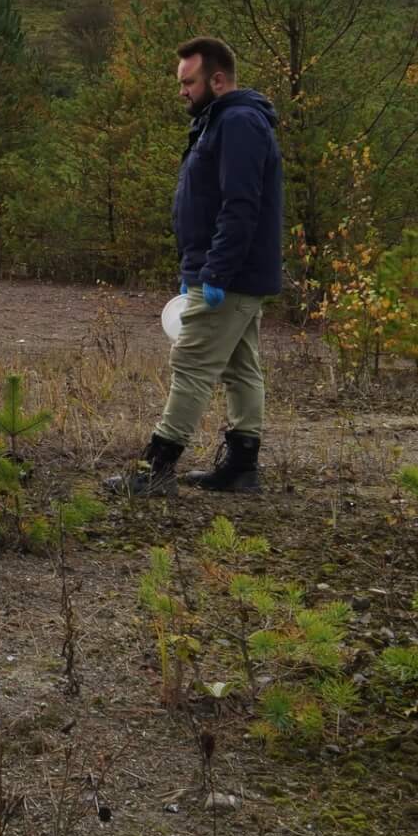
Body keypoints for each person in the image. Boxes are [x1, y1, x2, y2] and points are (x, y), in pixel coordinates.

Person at [112, 36, 283, 497]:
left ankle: (156, 468)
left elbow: (241, 205)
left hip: (229, 276)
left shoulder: (240, 122)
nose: (182, 91)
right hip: (226, 272)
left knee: (190, 362)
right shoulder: (219, 122)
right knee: (241, 366)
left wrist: (215, 273)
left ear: (218, 80)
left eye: (189, 82)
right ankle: (242, 467)